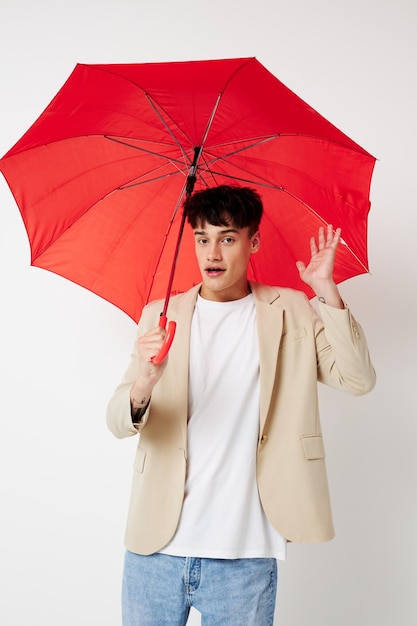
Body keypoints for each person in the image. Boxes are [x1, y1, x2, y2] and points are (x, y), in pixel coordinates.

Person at [106, 185, 376, 626]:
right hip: (156, 549)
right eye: (202, 238)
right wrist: (145, 382)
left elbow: (358, 379)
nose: (212, 252)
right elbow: (118, 420)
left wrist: (326, 291)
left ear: (254, 242)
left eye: (227, 238)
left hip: (245, 555)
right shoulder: (160, 315)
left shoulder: (290, 310)